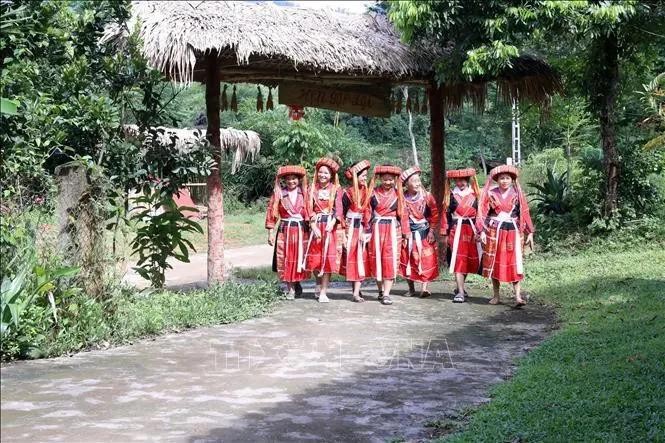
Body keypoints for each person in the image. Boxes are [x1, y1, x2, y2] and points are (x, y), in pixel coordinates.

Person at [476, 164, 535, 307]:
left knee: (515, 263)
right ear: (497, 180)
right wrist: (481, 231)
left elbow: (524, 213)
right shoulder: (490, 194)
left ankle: (518, 296)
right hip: (494, 232)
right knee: (494, 263)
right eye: (502, 178)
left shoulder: (517, 194)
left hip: (513, 232)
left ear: (512, 179)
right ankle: (496, 296)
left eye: (507, 178)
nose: (504, 181)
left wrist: (530, 232)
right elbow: (483, 213)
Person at [366, 165, 409, 305]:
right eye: (385, 180)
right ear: (379, 179)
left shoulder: (399, 194)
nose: (388, 183)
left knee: (389, 260)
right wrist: (366, 230)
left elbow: (403, 215)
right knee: (377, 259)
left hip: (393, 230)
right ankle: (380, 290)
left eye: (391, 180)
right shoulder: (372, 193)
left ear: (395, 180)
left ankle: (386, 294)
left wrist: (406, 233)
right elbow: (367, 212)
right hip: (376, 229)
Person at [266, 165, 310, 299]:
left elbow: (309, 212)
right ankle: (290, 289)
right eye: (288, 179)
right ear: (284, 181)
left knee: (299, 258)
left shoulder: (305, 193)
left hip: (301, 230)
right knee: (286, 258)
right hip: (285, 230)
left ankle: (297, 283)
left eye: (294, 179)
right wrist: (271, 233)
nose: (291, 181)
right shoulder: (279, 194)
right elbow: (272, 214)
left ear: (299, 180)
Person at [440, 168, 482, 303]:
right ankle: (460, 292)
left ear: (468, 180)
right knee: (458, 259)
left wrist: (481, 231)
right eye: (457, 180)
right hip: (455, 230)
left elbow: (481, 215)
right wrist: (444, 233)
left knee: (468, 260)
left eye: (463, 180)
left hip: (471, 230)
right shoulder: (450, 195)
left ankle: (461, 288)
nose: (460, 183)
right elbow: (445, 215)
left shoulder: (476, 195)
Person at [305, 157, 343, 303]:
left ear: (331, 175)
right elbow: (307, 208)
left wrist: (333, 221)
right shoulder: (311, 189)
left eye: (326, 173)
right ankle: (318, 282)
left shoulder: (336, 189)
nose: (323, 175)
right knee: (315, 258)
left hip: (329, 228)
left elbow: (339, 208)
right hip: (316, 226)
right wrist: (313, 226)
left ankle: (323, 292)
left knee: (327, 258)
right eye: (320, 172)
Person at [399, 166, 439, 298]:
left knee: (426, 259)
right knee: (409, 259)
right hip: (408, 233)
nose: (418, 183)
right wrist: (404, 233)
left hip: (424, 232)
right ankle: (411, 289)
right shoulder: (402, 198)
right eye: (414, 181)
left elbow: (434, 214)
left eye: (418, 180)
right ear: (406, 184)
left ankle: (424, 288)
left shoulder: (427, 196)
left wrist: (432, 231)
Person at [339, 160, 372, 302]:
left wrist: (367, 230)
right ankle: (355, 290)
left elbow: (370, 212)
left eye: (366, 175)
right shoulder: (346, 193)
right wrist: (344, 235)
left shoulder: (369, 192)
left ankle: (356, 292)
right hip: (350, 228)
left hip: (362, 229)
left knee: (361, 258)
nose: (365, 178)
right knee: (351, 259)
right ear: (354, 176)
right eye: (362, 175)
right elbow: (341, 213)